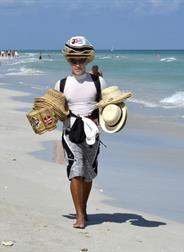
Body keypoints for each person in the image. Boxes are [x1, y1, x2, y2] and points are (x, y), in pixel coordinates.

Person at [54, 36, 106, 229]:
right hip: (70, 132)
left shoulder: (98, 82)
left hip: (93, 133)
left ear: (87, 60)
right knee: (75, 170)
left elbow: (107, 107)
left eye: (81, 60)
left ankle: (83, 208)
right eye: (74, 60)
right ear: (69, 60)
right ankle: (79, 216)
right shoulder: (61, 84)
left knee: (88, 173)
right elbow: (54, 110)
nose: (78, 64)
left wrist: (105, 121)